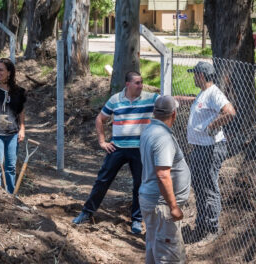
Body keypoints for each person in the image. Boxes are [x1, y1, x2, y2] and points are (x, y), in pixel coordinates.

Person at [72, 71, 159, 234]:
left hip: (140, 149)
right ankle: (87, 213)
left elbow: (170, 101)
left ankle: (137, 221)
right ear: (128, 84)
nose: (141, 86)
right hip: (117, 147)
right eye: (137, 83)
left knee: (139, 185)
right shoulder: (115, 99)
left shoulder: (151, 98)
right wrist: (102, 141)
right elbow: (100, 119)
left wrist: (194, 99)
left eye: (141, 82)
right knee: (102, 180)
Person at [176, 61, 236, 244]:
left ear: (201, 76)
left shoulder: (214, 94)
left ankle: (212, 229)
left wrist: (212, 126)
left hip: (211, 149)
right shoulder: (204, 94)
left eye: (195, 74)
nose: (193, 77)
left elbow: (230, 112)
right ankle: (202, 225)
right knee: (200, 187)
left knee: (209, 188)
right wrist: (177, 98)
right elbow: (196, 102)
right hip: (200, 149)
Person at [139, 95, 190, 264]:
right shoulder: (163, 138)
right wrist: (173, 207)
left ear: (154, 112)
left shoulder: (149, 130)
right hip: (162, 206)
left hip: (153, 201)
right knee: (169, 256)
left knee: (155, 249)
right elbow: (162, 175)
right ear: (174, 114)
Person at [0, 58, 26, 194]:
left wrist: (22, 128)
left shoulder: (19, 91)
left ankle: (10, 194)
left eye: (1, 70)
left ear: (9, 72)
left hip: (12, 134)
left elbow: (21, 111)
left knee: (11, 166)